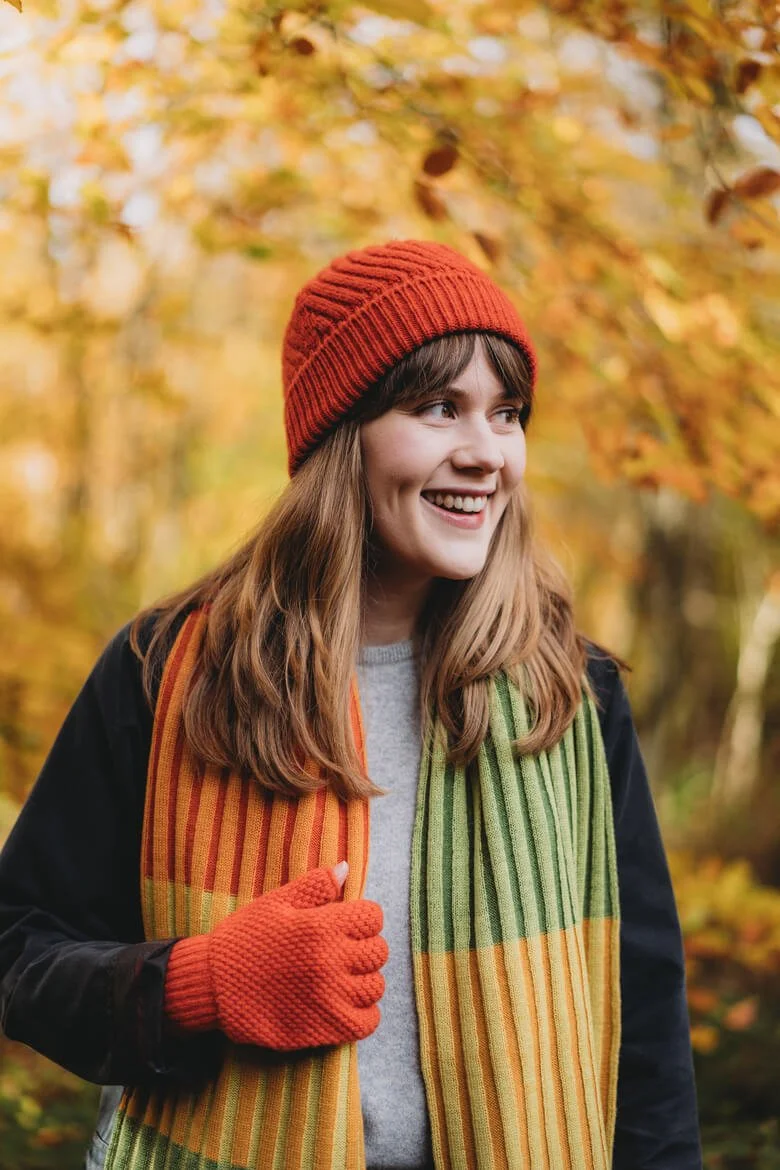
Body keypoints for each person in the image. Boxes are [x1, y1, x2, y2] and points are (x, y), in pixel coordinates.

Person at [0, 239, 702, 1170]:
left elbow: (644, 1023)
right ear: (342, 435)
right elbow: (19, 952)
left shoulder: (570, 694)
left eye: (507, 413)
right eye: (439, 407)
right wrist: (198, 985)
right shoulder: (164, 673)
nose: (485, 453)